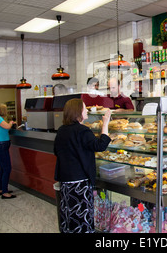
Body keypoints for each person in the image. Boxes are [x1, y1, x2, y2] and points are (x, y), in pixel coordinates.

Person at [54, 99, 111, 233]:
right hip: (80, 182)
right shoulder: (82, 131)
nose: (86, 111)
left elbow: (57, 151)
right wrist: (105, 123)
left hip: (65, 181)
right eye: (85, 108)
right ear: (78, 112)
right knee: (82, 216)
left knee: (69, 214)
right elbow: (100, 146)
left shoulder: (62, 130)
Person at [0, 103, 16, 199]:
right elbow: (7, 127)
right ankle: (5, 192)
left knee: (2, 168)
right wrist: (11, 123)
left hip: (0, 146)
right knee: (7, 168)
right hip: (1, 146)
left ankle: (1, 189)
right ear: (3, 111)